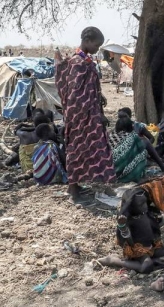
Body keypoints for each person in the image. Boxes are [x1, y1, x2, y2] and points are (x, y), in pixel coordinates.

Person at [55, 26, 116, 203]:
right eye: (96, 45)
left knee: (99, 148)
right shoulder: (78, 63)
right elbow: (75, 93)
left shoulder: (84, 61)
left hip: (88, 114)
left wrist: (99, 95)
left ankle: (100, 183)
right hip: (81, 116)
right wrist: (94, 112)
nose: (97, 49)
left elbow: (86, 87)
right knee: (77, 149)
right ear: (87, 41)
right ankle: (73, 189)